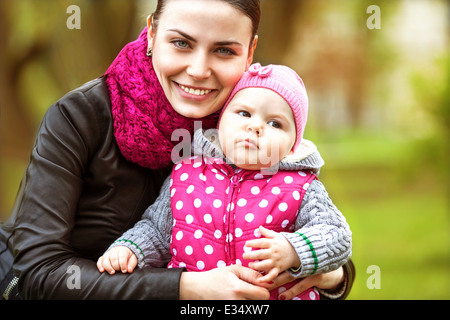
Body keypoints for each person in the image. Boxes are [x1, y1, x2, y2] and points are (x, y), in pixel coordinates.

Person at [0, 0, 354, 300]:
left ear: (249, 53)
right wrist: (185, 287)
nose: (198, 71)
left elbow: (314, 220)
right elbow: (37, 269)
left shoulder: (253, 119)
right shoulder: (79, 117)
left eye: (224, 50)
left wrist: (326, 273)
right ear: (152, 34)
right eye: (182, 43)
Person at [97, 63, 352, 300]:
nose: (255, 127)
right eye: (243, 113)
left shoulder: (300, 187)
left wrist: (293, 249)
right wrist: (131, 249)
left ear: (292, 145)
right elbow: (157, 231)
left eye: (275, 123)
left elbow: (337, 235)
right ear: (220, 122)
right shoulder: (185, 176)